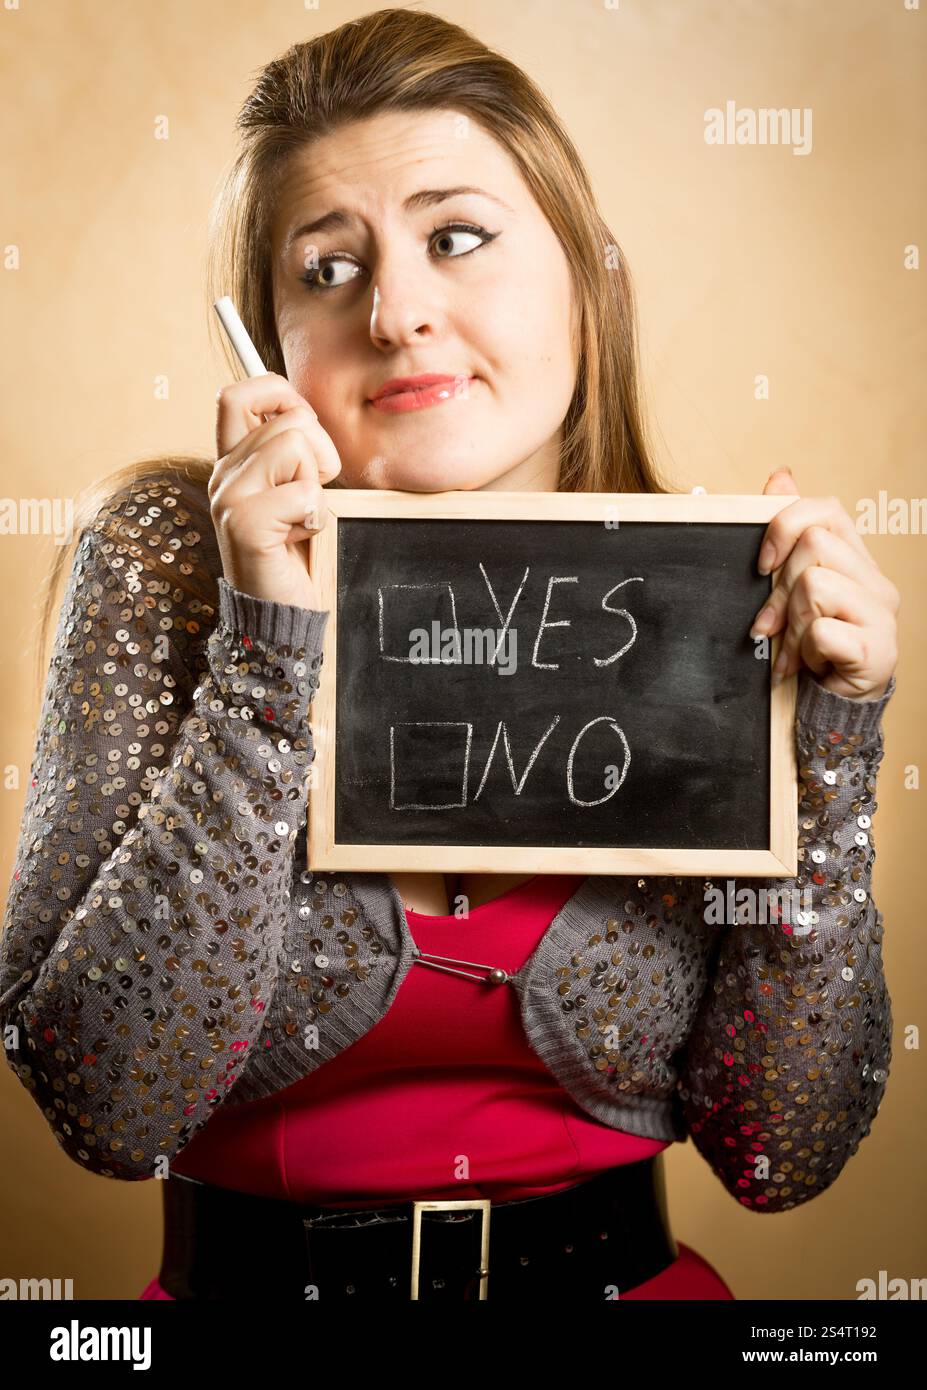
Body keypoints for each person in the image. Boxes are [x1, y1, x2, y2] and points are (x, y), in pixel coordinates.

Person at [0, 9, 897, 1302]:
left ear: (592, 278)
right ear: (266, 348)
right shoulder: (170, 558)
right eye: (327, 267)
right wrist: (270, 646)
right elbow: (105, 1103)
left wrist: (836, 754)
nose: (401, 312)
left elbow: (782, 1150)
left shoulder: (725, 598)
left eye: (456, 236)